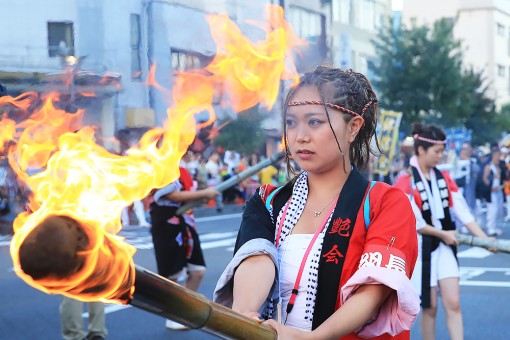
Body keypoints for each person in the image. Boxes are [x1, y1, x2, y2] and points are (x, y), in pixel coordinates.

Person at [214, 66, 420, 339]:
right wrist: (244, 315)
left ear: (353, 127)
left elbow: (374, 288)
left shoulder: (386, 202)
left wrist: (311, 338)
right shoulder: (268, 202)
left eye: (314, 122)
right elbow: (256, 258)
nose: (299, 136)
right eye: (291, 122)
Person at [394, 123, 493, 340]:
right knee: (429, 307)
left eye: (442, 151)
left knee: (454, 303)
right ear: (421, 150)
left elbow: (463, 212)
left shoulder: (444, 178)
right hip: (422, 250)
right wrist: (443, 234)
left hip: (446, 246)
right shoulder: (405, 180)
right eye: (437, 151)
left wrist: (485, 240)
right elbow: (414, 223)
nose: (441, 156)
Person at [149, 166, 219, 330]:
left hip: (186, 220)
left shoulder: (183, 167)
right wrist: (204, 194)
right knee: (172, 274)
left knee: (198, 270)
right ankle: (173, 316)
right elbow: (170, 194)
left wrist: (201, 194)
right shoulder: (163, 161)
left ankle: (183, 313)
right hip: (167, 222)